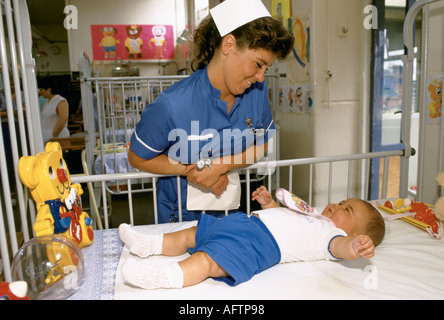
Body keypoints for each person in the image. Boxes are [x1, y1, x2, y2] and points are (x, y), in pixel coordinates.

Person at [128, 0, 295, 223]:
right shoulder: (173, 104)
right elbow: (137, 158)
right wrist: (193, 170)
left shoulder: (256, 93)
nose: (261, 77)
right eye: (258, 64)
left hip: (229, 214)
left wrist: (221, 166)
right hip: (178, 219)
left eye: (267, 68)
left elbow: (261, 145)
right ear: (229, 45)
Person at [118, 186, 386, 289]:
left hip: (260, 245)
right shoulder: (314, 215)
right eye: (341, 201)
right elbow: (284, 218)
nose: (337, 206)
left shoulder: (332, 234)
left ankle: (158, 278)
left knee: (209, 259)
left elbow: (341, 248)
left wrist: (355, 247)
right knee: (194, 233)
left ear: (355, 233)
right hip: (245, 223)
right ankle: (147, 244)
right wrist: (269, 204)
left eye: (346, 210)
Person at [38, 77, 70, 143]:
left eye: (41, 89)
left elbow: (63, 119)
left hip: (58, 139)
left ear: (49, 89)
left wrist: (54, 135)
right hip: (48, 138)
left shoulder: (60, 101)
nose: (40, 92)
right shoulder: (48, 102)